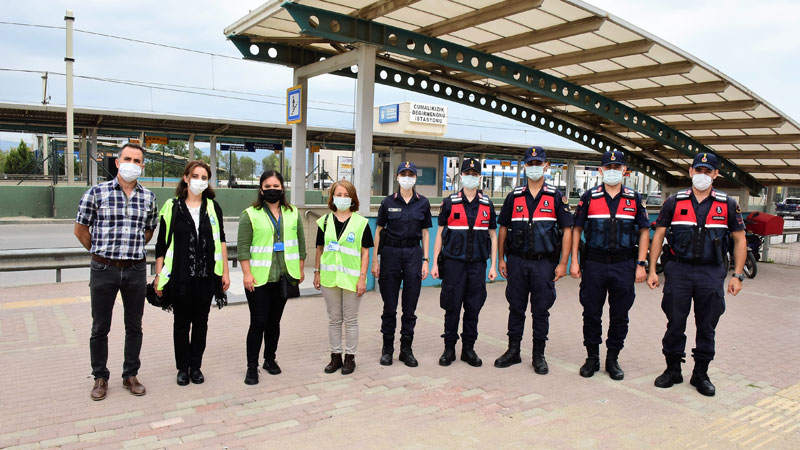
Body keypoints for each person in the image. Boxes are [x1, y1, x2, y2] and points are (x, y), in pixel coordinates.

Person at [647, 152, 746, 397]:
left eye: (707, 171)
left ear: (715, 175)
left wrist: (738, 275)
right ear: (690, 172)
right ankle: (672, 369)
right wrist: (651, 269)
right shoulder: (674, 202)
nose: (702, 175)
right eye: (698, 170)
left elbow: (739, 239)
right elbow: (658, 236)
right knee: (675, 323)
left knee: (707, 326)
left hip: (711, 273)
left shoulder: (727, 204)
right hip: (678, 271)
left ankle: (700, 373)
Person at [74, 142, 158, 401]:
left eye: (138, 160)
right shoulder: (96, 193)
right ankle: (100, 376)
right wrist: (101, 251)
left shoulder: (148, 197)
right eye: (128, 159)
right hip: (103, 268)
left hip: (134, 269)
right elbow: (81, 229)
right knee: (100, 326)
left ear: (142, 166)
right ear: (118, 162)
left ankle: (130, 374)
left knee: (134, 325)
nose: (133, 164)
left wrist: (129, 251)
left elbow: (148, 230)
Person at [569, 150, 649, 380]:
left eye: (617, 167)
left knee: (620, 314)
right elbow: (577, 230)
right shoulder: (589, 197)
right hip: (594, 264)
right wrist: (574, 261)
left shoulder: (633, 199)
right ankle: (592, 357)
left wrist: (641, 264)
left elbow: (644, 231)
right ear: (600, 170)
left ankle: (612, 358)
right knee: (591, 313)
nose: (613, 171)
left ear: (624, 171)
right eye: (609, 167)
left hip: (624, 264)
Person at [494, 147, 573, 375]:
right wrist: (501, 258)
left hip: (543, 263)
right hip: (517, 261)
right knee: (515, 307)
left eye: (539, 163)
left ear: (546, 166)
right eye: (531, 164)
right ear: (525, 166)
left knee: (541, 310)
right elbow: (503, 228)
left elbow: (567, 230)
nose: (535, 168)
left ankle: (539, 355)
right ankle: (513, 351)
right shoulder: (514, 196)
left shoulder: (556, 197)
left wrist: (562, 263)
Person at [154, 161, 230, 386]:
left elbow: (222, 240)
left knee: (201, 323)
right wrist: (159, 276)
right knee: (181, 323)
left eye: (204, 177)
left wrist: (225, 272)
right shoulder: (172, 207)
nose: (199, 180)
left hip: (206, 276)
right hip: (180, 277)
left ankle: (196, 366)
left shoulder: (214, 207)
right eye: (195, 176)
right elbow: (161, 245)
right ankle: (182, 367)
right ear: (186, 178)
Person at [238, 170, 305, 385]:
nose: (272, 190)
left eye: (276, 186)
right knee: (258, 322)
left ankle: (270, 359)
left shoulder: (292, 212)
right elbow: (242, 248)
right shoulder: (250, 214)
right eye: (267, 187)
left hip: (284, 276)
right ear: (261, 189)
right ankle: (251, 367)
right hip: (259, 279)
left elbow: (301, 243)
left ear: (282, 188)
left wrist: (300, 268)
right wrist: (247, 274)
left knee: (274, 322)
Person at [431, 158, 498, 367]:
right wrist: (434, 263)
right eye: (467, 173)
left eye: (474, 174)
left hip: (477, 265)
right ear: (461, 177)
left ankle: (468, 349)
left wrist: (493, 265)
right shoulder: (450, 202)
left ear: (480, 178)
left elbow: (493, 236)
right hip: (454, 264)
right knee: (452, 307)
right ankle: (449, 349)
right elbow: (440, 234)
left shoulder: (487, 205)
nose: (471, 177)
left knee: (473, 308)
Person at [372, 162, 432, 367]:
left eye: (411, 174)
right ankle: (387, 349)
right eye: (403, 174)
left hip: (413, 255)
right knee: (389, 306)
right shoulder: (387, 202)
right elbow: (379, 231)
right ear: (397, 177)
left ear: (415, 178)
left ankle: (406, 350)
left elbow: (425, 233)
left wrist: (426, 260)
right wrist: (375, 260)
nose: (407, 177)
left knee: (410, 307)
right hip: (390, 254)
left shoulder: (423, 203)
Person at [313, 180, 373, 375]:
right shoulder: (324, 222)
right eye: (338, 194)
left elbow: (365, 252)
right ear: (332, 197)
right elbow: (319, 249)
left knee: (351, 319)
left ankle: (350, 358)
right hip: (329, 279)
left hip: (352, 279)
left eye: (346, 195)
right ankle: (335, 356)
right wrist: (316, 272)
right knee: (334, 319)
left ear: (353, 199)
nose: (342, 198)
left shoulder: (361, 223)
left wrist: (362, 277)